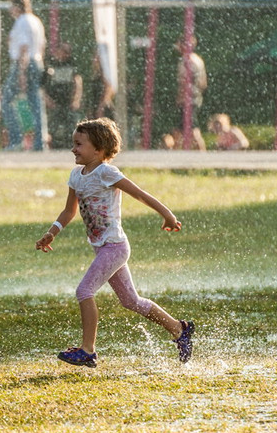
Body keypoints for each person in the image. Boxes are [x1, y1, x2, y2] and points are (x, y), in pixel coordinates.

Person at [35, 117, 194, 368]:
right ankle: (179, 329)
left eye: (79, 144)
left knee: (84, 291)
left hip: (115, 247)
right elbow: (69, 211)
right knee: (132, 301)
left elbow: (139, 194)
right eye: (73, 144)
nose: (73, 149)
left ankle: (88, 351)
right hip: (102, 247)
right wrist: (52, 232)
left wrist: (167, 214)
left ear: (98, 150)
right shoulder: (76, 176)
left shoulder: (107, 172)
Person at [1, 0, 48, 150]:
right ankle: (39, 142)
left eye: (11, 6)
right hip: (36, 61)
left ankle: (15, 139)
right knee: (36, 102)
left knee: (6, 99)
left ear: (17, 6)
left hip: (24, 64)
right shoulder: (36, 21)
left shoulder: (22, 22)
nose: (10, 10)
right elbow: (42, 45)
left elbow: (24, 47)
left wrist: (21, 72)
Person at [43, 42, 83, 149]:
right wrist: (47, 100)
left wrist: (76, 99)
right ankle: (52, 146)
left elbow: (77, 81)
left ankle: (73, 145)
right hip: (54, 102)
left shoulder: (71, 63)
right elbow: (42, 86)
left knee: (73, 125)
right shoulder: (50, 65)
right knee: (53, 126)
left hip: (68, 102)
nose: (64, 54)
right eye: (62, 51)